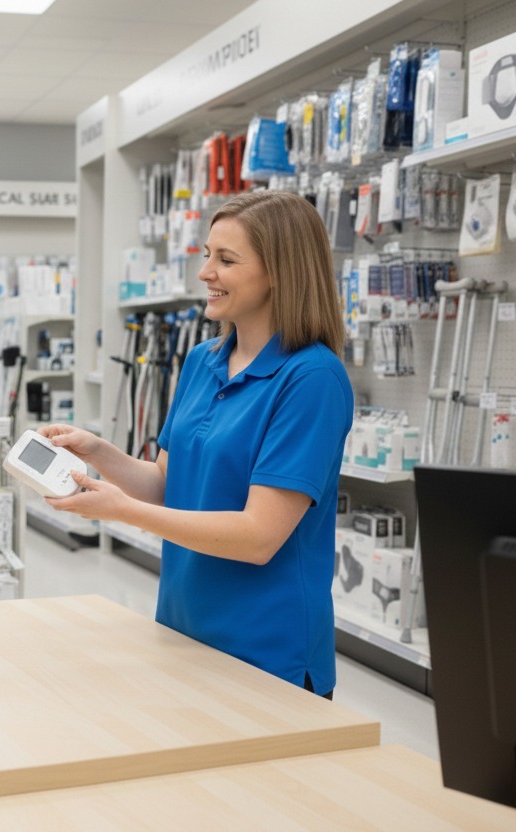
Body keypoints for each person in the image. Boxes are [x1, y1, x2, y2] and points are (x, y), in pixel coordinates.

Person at [41, 190, 352, 698]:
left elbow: (258, 537)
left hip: (268, 652)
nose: (205, 271)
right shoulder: (203, 361)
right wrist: (98, 452)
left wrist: (121, 512)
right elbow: (166, 484)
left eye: (226, 260)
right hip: (183, 629)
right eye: (207, 254)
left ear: (280, 272)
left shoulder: (311, 378)